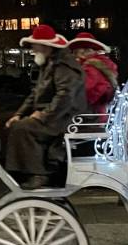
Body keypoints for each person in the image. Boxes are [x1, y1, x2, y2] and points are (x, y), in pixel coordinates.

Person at [5, 24, 87, 189]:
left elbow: (65, 97)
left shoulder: (63, 65)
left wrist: (43, 115)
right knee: (14, 124)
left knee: (23, 128)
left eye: (35, 45)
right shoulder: (49, 63)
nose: (32, 49)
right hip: (56, 115)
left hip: (64, 118)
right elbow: (35, 94)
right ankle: (25, 171)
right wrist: (18, 114)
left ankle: (39, 174)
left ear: (45, 46)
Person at [67, 32, 118, 114]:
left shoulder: (90, 68)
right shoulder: (100, 64)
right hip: (97, 114)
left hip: (88, 117)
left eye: (76, 52)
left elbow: (83, 89)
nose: (74, 55)